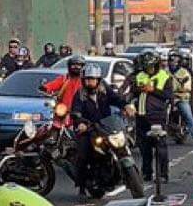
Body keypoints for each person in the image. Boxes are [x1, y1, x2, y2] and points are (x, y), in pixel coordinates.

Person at [70, 63, 133, 195]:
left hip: (106, 126)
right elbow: (76, 111)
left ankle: (124, 173)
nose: (89, 82)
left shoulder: (105, 90)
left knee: (123, 142)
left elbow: (116, 99)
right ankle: (81, 183)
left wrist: (126, 105)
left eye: (92, 79)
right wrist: (80, 122)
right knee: (82, 153)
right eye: (87, 79)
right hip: (88, 129)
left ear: (98, 80)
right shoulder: (80, 94)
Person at [133, 51, 173, 183]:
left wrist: (153, 90)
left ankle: (163, 174)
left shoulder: (164, 76)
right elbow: (133, 90)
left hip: (157, 116)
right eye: (146, 67)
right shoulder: (140, 75)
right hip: (141, 115)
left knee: (160, 147)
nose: (148, 69)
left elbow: (168, 95)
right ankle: (146, 173)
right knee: (144, 148)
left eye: (150, 67)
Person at [168, 51, 193, 146]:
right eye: (171, 61)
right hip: (167, 98)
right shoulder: (166, 72)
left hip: (180, 98)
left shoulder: (184, 72)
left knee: (188, 115)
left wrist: (179, 90)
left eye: (175, 61)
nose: (173, 63)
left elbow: (188, 87)